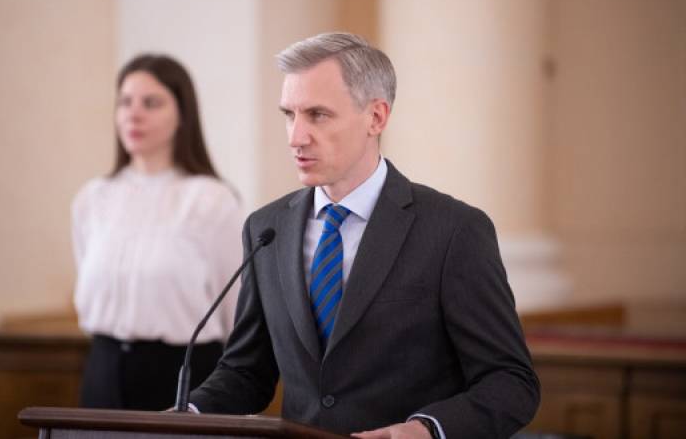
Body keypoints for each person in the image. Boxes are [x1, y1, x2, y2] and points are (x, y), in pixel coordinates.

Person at [189, 33, 540, 438]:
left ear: (376, 117)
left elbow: (511, 383)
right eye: (289, 114)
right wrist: (186, 415)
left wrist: (426, 430)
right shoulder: (266, 228)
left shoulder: (453, 231)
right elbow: (246, 372)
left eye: (318, 115)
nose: (296, 136)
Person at [71, 54, 244, 411]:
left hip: (182, 374)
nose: (133, 114)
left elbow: (235, 312)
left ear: (182, 114)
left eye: (151, 103)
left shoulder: (211, 200)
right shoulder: (93, 198)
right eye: (125, 102)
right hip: (103, 369)